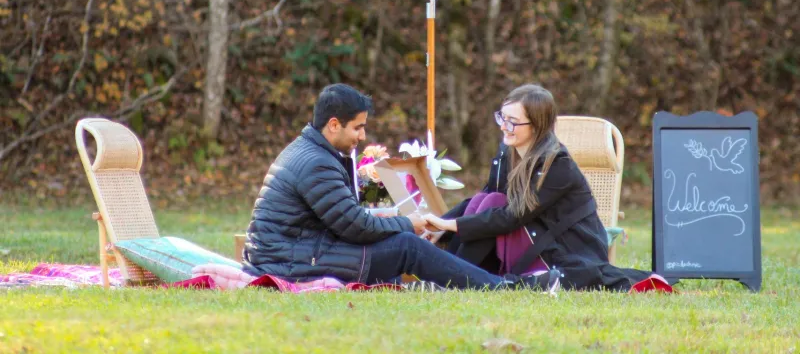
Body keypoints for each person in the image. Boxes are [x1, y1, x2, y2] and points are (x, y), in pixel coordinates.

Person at [242, 83, 561, 291]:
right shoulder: (316, 163)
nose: (362, 136)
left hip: (295, 253)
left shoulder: (312, 152)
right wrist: (408, 222)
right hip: (291, 263)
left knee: (399, 239)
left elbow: (343, 217)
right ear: (334, 124)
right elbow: (354, 226)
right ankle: (503, 288)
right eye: (358, 128)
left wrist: (392, 218)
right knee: (407, 245)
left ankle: (484, 283)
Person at [423, 84, 656, 292]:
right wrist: (440, 226)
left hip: (563, 254)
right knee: (485, 199)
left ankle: (449, 279)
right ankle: (445, 273)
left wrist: (452, 225)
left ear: (536, 126)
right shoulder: (508, 153)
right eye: (502, 117)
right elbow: (481, 200)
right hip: (530, 241)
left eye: (512, 121)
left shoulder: (557, 165)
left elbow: (512, 217)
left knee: (493, 203)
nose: (504, 127)